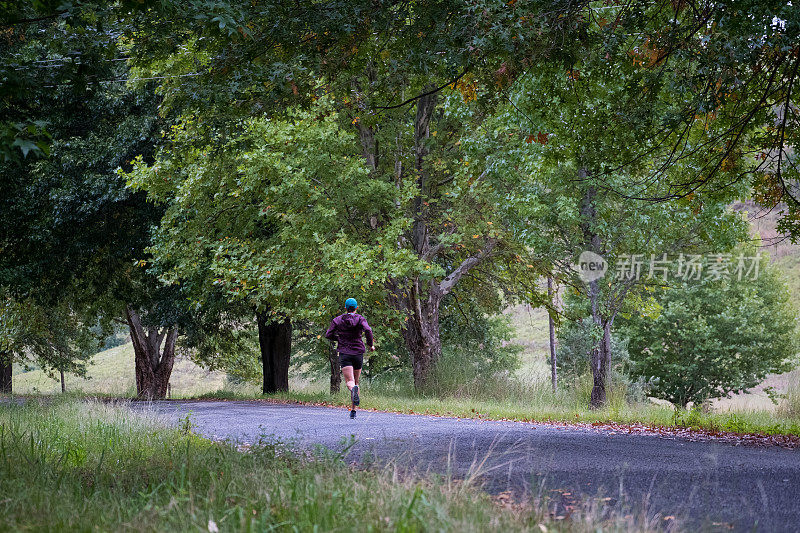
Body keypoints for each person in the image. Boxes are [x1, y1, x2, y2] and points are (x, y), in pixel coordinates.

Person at [324, 298, 375, 419]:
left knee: (349, 382)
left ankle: (352, 390)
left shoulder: (338, 320)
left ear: (345, 308)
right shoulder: (360, 319)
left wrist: (340, 339)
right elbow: (368, 329)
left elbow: (328, 335)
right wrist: (370, 344)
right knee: (356, 382)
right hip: (358, 352)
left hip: (345, 353)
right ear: (356, 308)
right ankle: (353, 411)